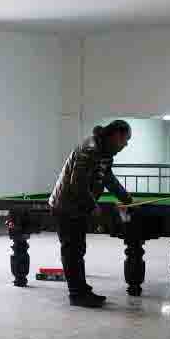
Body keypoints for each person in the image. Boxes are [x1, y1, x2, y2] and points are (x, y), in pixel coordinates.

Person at [48, 119, 133, 308]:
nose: (125, 145)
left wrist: (126, 197)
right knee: (72, 250)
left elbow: (108, 178)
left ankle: (81, 289)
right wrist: (93, 206)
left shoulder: (105, 152)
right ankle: (76, 294)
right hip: (66, 206)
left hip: (77, 206)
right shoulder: (91, 149)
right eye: (125, 140)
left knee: (78, 249)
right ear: (115, 135)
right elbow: (77, 183)